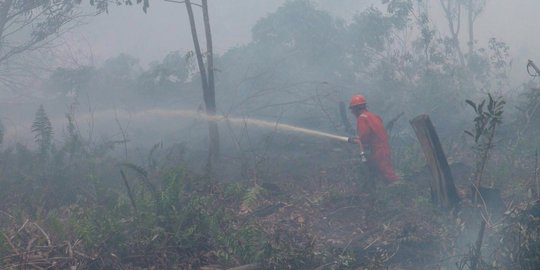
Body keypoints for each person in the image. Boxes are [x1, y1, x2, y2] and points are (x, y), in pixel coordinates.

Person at [347, 94, 400, 183]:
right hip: (384, 146)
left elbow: (364, 137)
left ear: (356, 109)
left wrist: (358, 140)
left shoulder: (362, 118)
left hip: (377, 149)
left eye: (352, 109)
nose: (352, 112)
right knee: (383, 171)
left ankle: (400, 190)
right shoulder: (373, 116)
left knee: (388, 174)